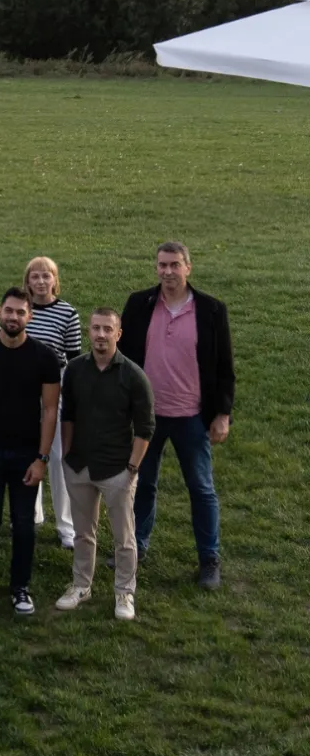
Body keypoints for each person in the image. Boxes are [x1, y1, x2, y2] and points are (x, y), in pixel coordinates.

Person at [119, 241, 233, 590]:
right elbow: (122, 359)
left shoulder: (211, 310)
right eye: (162, 265)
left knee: (201, 488)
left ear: (188, 267)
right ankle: (135, 547)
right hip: (147, 417)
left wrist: (222, 414)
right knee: (142, 485)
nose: (168, 272)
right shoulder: (139, 305)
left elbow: (225, 366)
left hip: (191, 417)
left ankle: (209, 558)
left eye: (174, 265)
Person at [0, 288, 60, 614]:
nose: (13, 317)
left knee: (23, 524)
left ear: (29, 316)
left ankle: (20, 588)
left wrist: (42, 459)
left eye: (20, 312)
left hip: (26, 454)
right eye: (9, 311)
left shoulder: (45, 358)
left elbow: (49, 410)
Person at [56, 309, 153, 622]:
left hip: (117, 470)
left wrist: (132, 469)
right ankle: (81, 585)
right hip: (80, 465)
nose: (100, 335)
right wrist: (68, 457)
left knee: (124, 538)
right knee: (84, 533)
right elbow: (67, 414)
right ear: (89, 330)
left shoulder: (133, 375)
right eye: (95, 328)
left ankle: (124, 591)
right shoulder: (75, 370)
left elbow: (145, 427)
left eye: (107, 329)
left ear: (118, 333)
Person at [22, 255, 83, 549]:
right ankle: (32, 513)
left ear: (55, 280)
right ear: (28, 281)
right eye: (35, 276)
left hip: (55, 387)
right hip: (24, 386)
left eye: (47, 276)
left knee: (57, 456)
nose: (41, 281)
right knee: (29, 450)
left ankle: (66, 526)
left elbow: (73, 359)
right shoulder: (22, 310)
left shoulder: (68, 313)